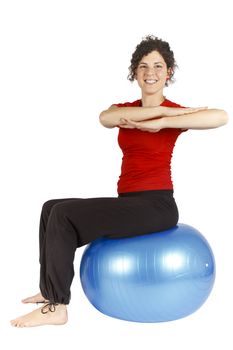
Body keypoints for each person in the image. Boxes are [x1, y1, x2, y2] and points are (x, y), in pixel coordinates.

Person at [10, 35, 228, 327]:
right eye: (143, 66)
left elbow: (221, 116)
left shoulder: (176, 115)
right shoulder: (125, 109)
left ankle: (57, 306)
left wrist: (165, 121)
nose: (151, 72)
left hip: (157, 205)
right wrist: (157, 112)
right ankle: (48, 289)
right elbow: (105, 117)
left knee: (64, 215)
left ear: (169, 72)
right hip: (131, 203)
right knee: (51, 207)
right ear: (135, 73)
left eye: (158, 66)